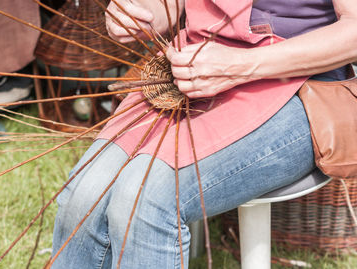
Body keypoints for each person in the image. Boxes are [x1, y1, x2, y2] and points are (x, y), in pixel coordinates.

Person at [52, 0, 357, 268]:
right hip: (194, 69)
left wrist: (242, 65)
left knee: (146, 199)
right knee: (85, 193)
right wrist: (141, 14)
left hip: (297, 83)